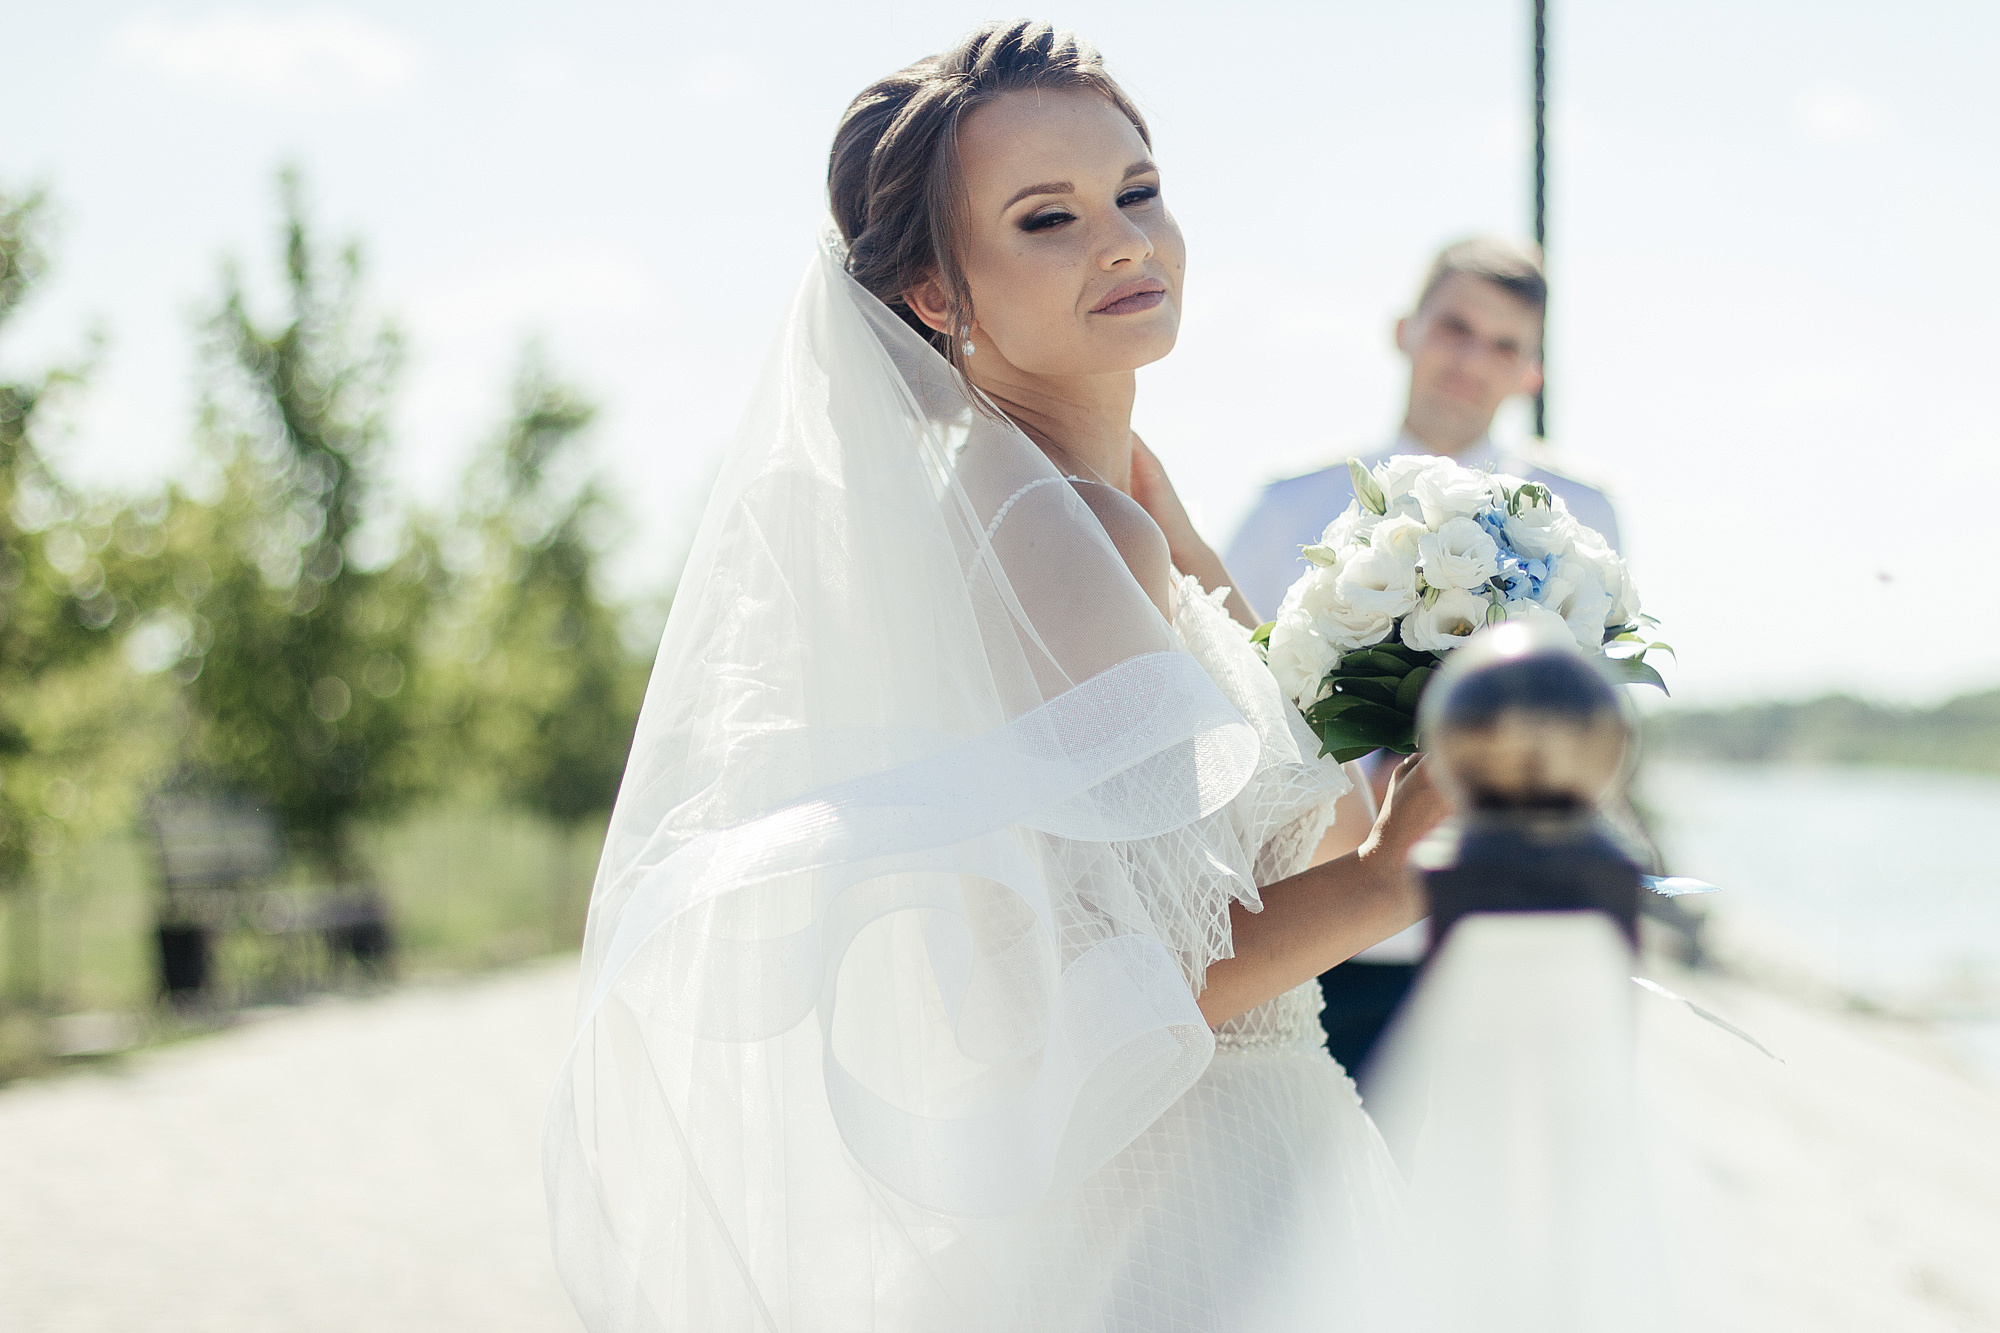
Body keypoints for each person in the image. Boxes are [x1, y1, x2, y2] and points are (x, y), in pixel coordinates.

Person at [543, 22, 1446, 1332]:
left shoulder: (1121, 501)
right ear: (931, 293)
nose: (1126, 239)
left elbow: (1289, 836)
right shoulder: (1048, 537)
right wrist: (1387, 883)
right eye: (1047, 219)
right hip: (1188, 1207)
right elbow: (1109, 993)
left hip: (1267, 1164)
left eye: (1136, 190)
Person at [1225, 237, 1624, 1083]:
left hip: (1498, 931)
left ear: (1532, 373)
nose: (1471, 359)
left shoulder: (1579, 516)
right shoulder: (1287, 507)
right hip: (1319, 926)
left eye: (1504, 344)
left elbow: (1596, 719)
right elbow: (1229, 702)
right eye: (1454, 327)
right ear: (1405, 331)